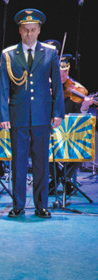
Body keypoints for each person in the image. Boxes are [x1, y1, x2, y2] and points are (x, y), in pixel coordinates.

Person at [0, 9, 65, 218]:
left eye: (33, 29)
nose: (29, 33)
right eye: (25, 30)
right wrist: (3, 116)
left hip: (42, 116)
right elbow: (3, 89)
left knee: (41, 163)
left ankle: (41, 205)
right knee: (18, 162)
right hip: (17, 116)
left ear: (39, 30)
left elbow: (57, 87)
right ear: (19, 30)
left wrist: (58, 113)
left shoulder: (50, 52)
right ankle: (18, 205)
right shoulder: (8, 54)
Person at [49, 54, 94, 193]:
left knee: (82, 145)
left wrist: (85, 107)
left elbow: (80, 118)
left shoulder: (76, 89)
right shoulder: (46, 86)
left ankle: (59, 179)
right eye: (59, 71)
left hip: (69, 134)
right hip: (51, 133)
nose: (63, 75)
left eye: (65, 72)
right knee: (41, 146)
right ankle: (64, 180)